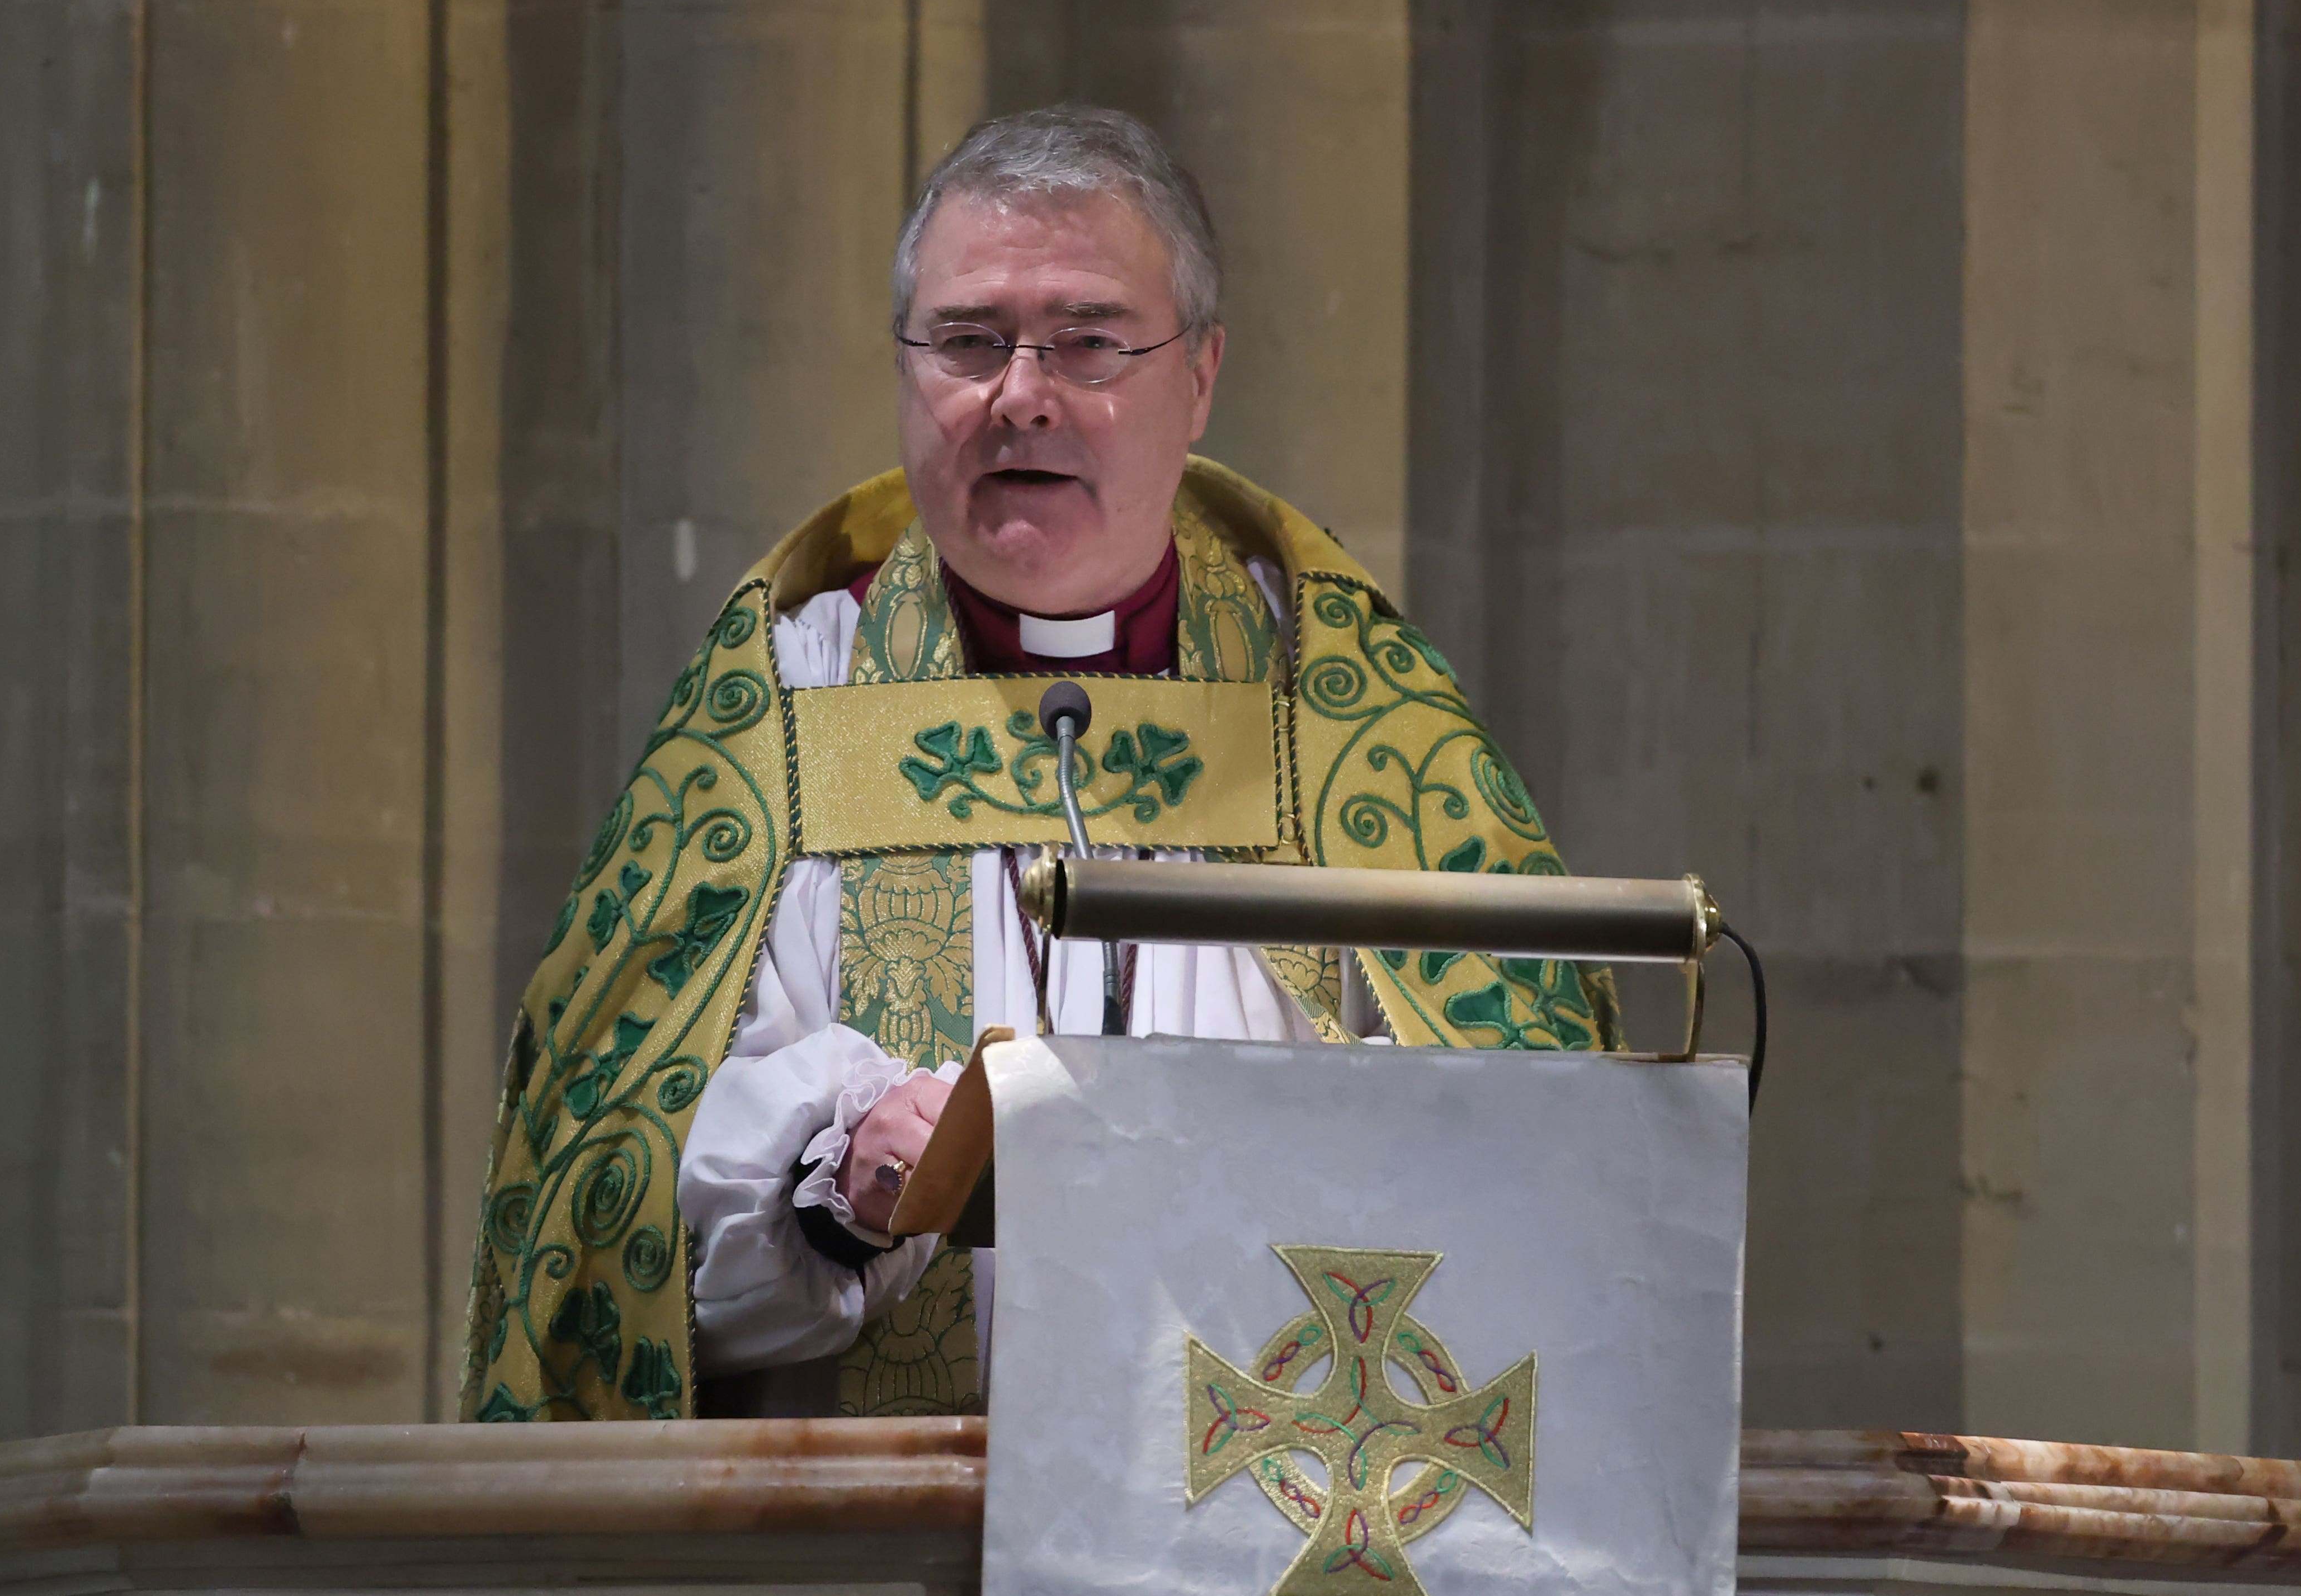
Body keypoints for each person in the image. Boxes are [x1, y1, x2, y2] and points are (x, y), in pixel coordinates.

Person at [461, 104, 1618, 1424]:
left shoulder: (1347, 719)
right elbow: (595, 1221)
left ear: (1201, 375)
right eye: (967, 342)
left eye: (1088, 342)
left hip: (1265, 1539)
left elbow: (1534, 1167)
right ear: (906, 374)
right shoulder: (780, 707)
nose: (1021, 393)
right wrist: (837, 1186)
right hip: (873, 1574)